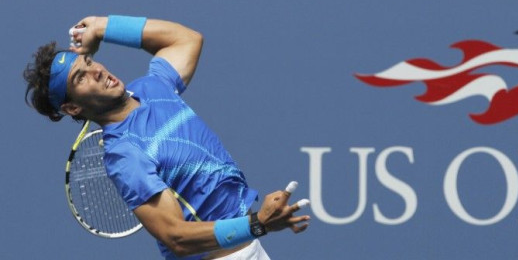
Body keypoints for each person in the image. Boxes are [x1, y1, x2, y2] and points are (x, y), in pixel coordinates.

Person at [23, 15, 309, 259]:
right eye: (80, 78)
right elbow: (176, 237)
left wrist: (104, 26)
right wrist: (257, 223)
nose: (97, 71)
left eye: (89, 61)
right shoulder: (124, 155)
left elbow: (187, 40)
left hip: (249, 249)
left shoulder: (152, 87)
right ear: (72, 107)